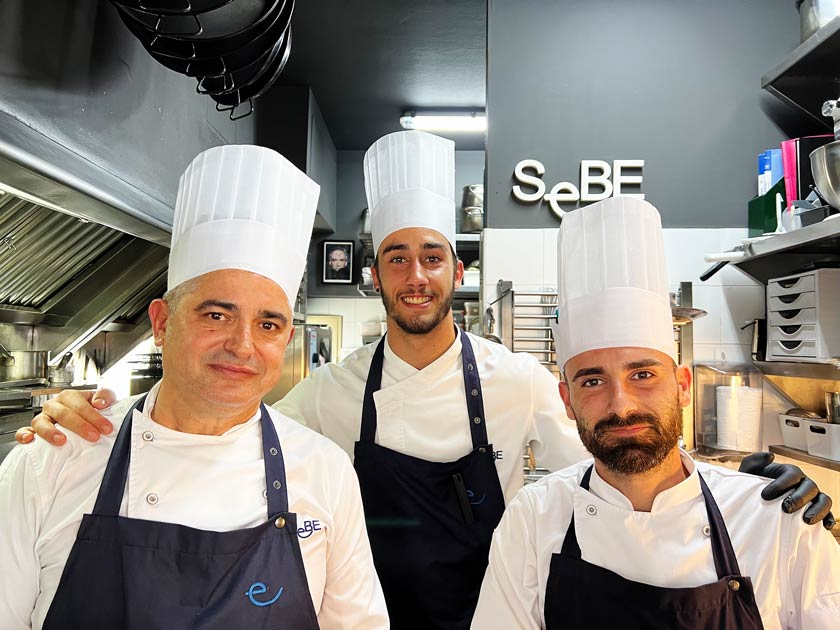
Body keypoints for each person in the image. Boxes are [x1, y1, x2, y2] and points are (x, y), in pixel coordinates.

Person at [17, 133, 834, 628]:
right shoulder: (328, 403)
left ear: (455, 267)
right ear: (375, 273)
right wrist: (96, 405)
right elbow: (214, 412)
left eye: (432, 256)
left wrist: (754, 493)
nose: (245, 345)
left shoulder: (516, 386)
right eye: (397, 257)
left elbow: (622, 467)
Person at [0, 145, 388, 629]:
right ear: (162, 322)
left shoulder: (323, 470)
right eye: (216, 315)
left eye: (268, 326)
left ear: (286, 339)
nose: (243, 345)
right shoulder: (53, 457)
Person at [471, 196, 840, 629]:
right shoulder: (533, 520)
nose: (621, 404)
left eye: (642, 374)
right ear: (566, 401)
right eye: (592, 381)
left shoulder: (774, 523)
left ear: (682, 385)